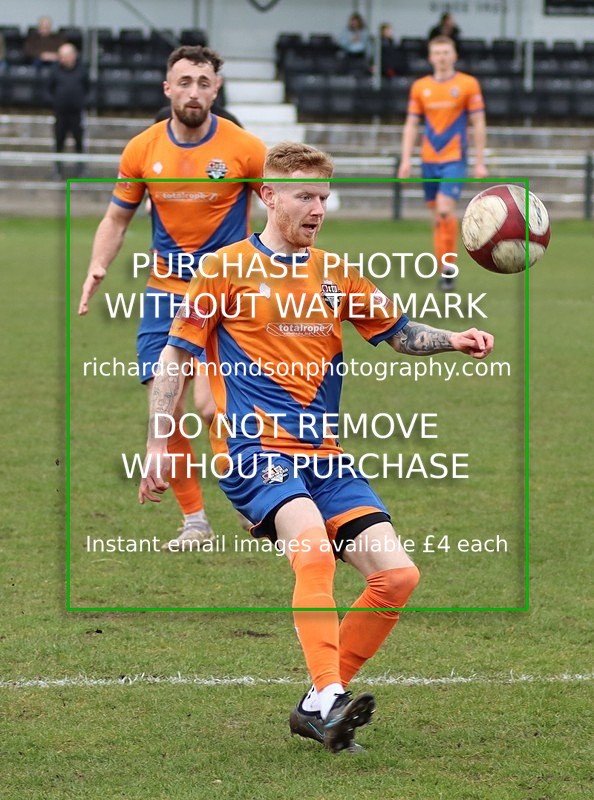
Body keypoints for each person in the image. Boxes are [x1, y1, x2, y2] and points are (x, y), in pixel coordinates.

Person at [138, 141, 495, 751]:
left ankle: (315, 705)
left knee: (397, 577)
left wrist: (454, 338)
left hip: (324, 457)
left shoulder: (336, 273)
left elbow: (400, 333)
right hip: (255, 452)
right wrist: (157, 438)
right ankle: (330, 697)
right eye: (304, 196)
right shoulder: (224, 269)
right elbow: (175, 355)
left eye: (324, 198)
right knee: (313, 553)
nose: (317, 209)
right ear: (268, 197)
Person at [78, 45, 266, 551]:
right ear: (168, 89)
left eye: (203, 82)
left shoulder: (246, 148)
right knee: (166, 408)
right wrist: (98, 264)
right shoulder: (142, 149)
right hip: (164, 294)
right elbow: (116, 218)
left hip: (225, 295)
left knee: (212, 407)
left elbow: (282, 207)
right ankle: (195, 523)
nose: (193, 92)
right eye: (184, 82)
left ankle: (251, 501)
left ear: (216, 90)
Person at [398, 35, 488, 291]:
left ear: (454, 55)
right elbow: (412, 124)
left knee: (445, 209)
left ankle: (449, 270)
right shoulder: (420, 87)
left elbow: (478, 122)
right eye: (437, 53)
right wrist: (406, 160)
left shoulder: (467, 84)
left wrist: (480, 161)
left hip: (454, 158)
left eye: (446, 52)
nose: (442, 57)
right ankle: (445, 269)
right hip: (428, 159)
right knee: (438, 216)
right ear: (430, 57)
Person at [47, 43, 89, 179]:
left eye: (65, 56)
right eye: (61, 56)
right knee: (59, 141)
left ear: (73, 56)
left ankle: (81, 170)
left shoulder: (82, 70)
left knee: (79, 141)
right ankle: (57, 170)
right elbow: (50, 88)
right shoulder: (55, 70)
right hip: (60, 114)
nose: (62, 59)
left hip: (76, 113)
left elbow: (87, 87)